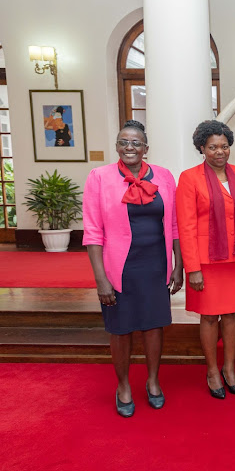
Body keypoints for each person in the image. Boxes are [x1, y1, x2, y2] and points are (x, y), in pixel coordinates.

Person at [82, 120, 182, 418]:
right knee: (121, 329)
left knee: (153, 326)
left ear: (145, 148)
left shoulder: (163, 176)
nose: (130, 147)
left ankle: (152, 381)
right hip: (119, 266)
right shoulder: (99, 177)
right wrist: (101, 279)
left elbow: (174, 225)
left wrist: (178, 265)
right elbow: (92, 232)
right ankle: (123, 386)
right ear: (117, 146)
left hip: (155, 264)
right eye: (124, 142)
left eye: (136, 142)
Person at [176, 120, 235, 400]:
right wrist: (192, 268)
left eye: (224, 146)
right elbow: (184, 226)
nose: (219, 152)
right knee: (210, 317)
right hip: (206, 261)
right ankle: (212, 371)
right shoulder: (189, 178)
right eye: (212, 147)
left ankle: (229, 369)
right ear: (201, 148)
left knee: (232, 314)